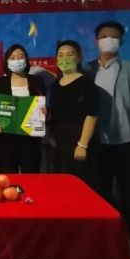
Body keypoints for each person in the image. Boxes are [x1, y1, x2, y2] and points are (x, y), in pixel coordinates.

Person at [86, 21, 130, 235]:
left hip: (125, 140)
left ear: (122, 41)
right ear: (96, 41)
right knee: (99, 190)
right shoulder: (87, 70)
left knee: (128, 191)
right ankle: (103, 234)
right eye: (103, 36)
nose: (108, 40)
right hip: (96, 140)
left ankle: (128, 235)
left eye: (114, 36)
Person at [48, 40, 99, 187]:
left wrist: (83, 145)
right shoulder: (55, 85)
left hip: (78, 140)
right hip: (59, 142)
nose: (64, 59)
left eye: (70, 55)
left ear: (79, 57)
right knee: (60, 184)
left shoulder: (87, 83)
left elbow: (91, 115)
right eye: (60, 55)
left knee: (80, 184)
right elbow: (56, 113)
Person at [0, 44, 46, 173]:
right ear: (7, 62)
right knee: (8, 178)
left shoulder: (37, 81)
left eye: (20, 57)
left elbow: (43, 104)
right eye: (12, 58)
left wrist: (45, 111)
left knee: (31, 176)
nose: (16, 61)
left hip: (30, 140)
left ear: (26, 59)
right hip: (7, 140)